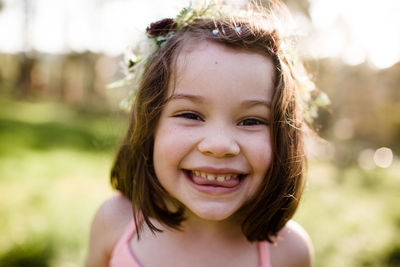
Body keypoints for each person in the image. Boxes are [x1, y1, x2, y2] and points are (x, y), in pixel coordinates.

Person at [86, 1, 322, 266]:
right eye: (190, 115)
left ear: (284, 136)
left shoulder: (290, 252)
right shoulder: (115, 222)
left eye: (251, 121)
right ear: (149, 125)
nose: (219, 145)